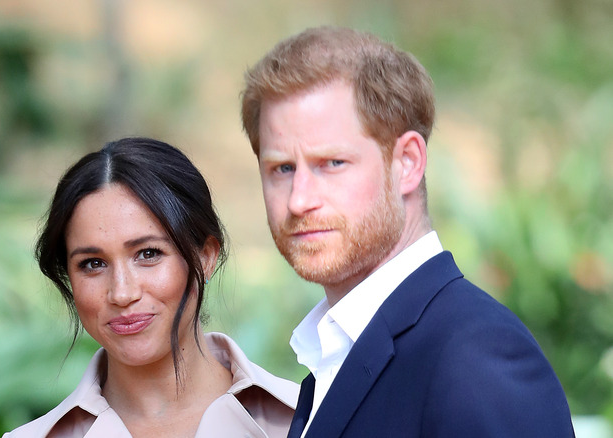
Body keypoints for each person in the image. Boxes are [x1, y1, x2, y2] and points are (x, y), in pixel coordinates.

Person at [240, 26, 575, 437]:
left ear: (408, 163)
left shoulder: (475, 358)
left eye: (331, 163)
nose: (298, 200)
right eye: (282, 169)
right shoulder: (338, 354)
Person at [3, 137, 298, 438]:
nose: (122, 293)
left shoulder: (310, 420)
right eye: (93, 263)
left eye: (148, 254)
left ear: (206, 257)